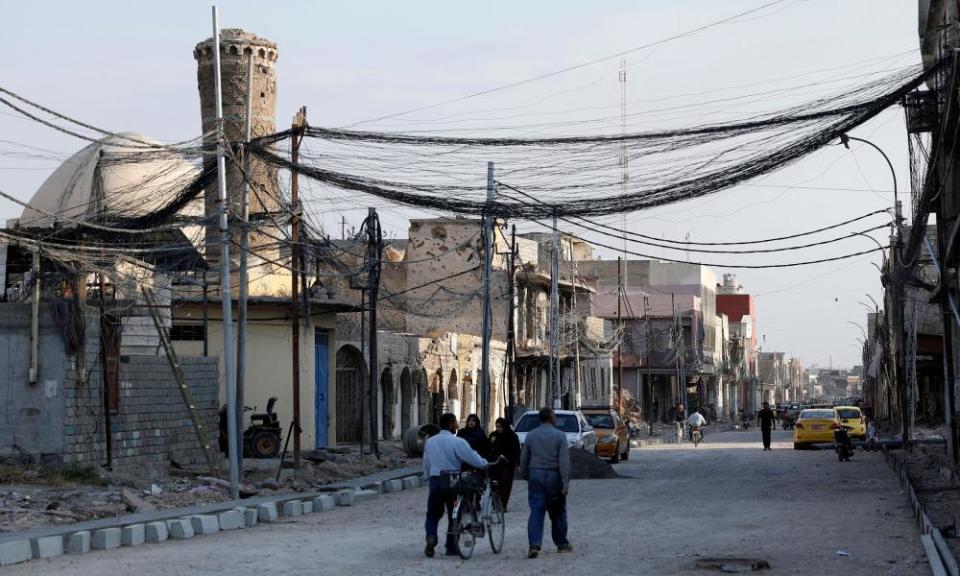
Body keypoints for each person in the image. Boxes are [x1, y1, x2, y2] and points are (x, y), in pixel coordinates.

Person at [422, 413, 497, 558]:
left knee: (432, 514)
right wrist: (483, 464)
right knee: (454, 515)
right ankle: (451, 547)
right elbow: (471, 456)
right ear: (450, 424)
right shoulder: (457, 442)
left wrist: (428, 477)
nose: (457, 426)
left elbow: (425, 462)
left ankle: (431, 536)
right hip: (452, 481)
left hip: (435, 481)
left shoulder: (430, 442)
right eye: (455, 423)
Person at [519, 407, 572, 558]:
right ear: (551, 418)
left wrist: (524, 474)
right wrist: (565, 482)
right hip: (554, 475)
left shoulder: (531, 435)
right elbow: (564, 461)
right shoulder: (560, 436)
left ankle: (534, 544)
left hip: (535, 474)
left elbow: (524, 459)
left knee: (536, 509)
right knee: (558, 510)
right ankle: (561, 543)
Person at [488, 416, 521, 511]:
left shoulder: (512, 436)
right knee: (495, 485)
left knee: (505, 485)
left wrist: (517, 463)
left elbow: (516, 451)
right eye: (497, 426)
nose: (498, 429)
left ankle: (503, 505)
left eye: (500, 427)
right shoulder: (493, 435)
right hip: (496, 464)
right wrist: (491, 441)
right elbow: (488, 448)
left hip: (508, 464)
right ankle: (496, 503)